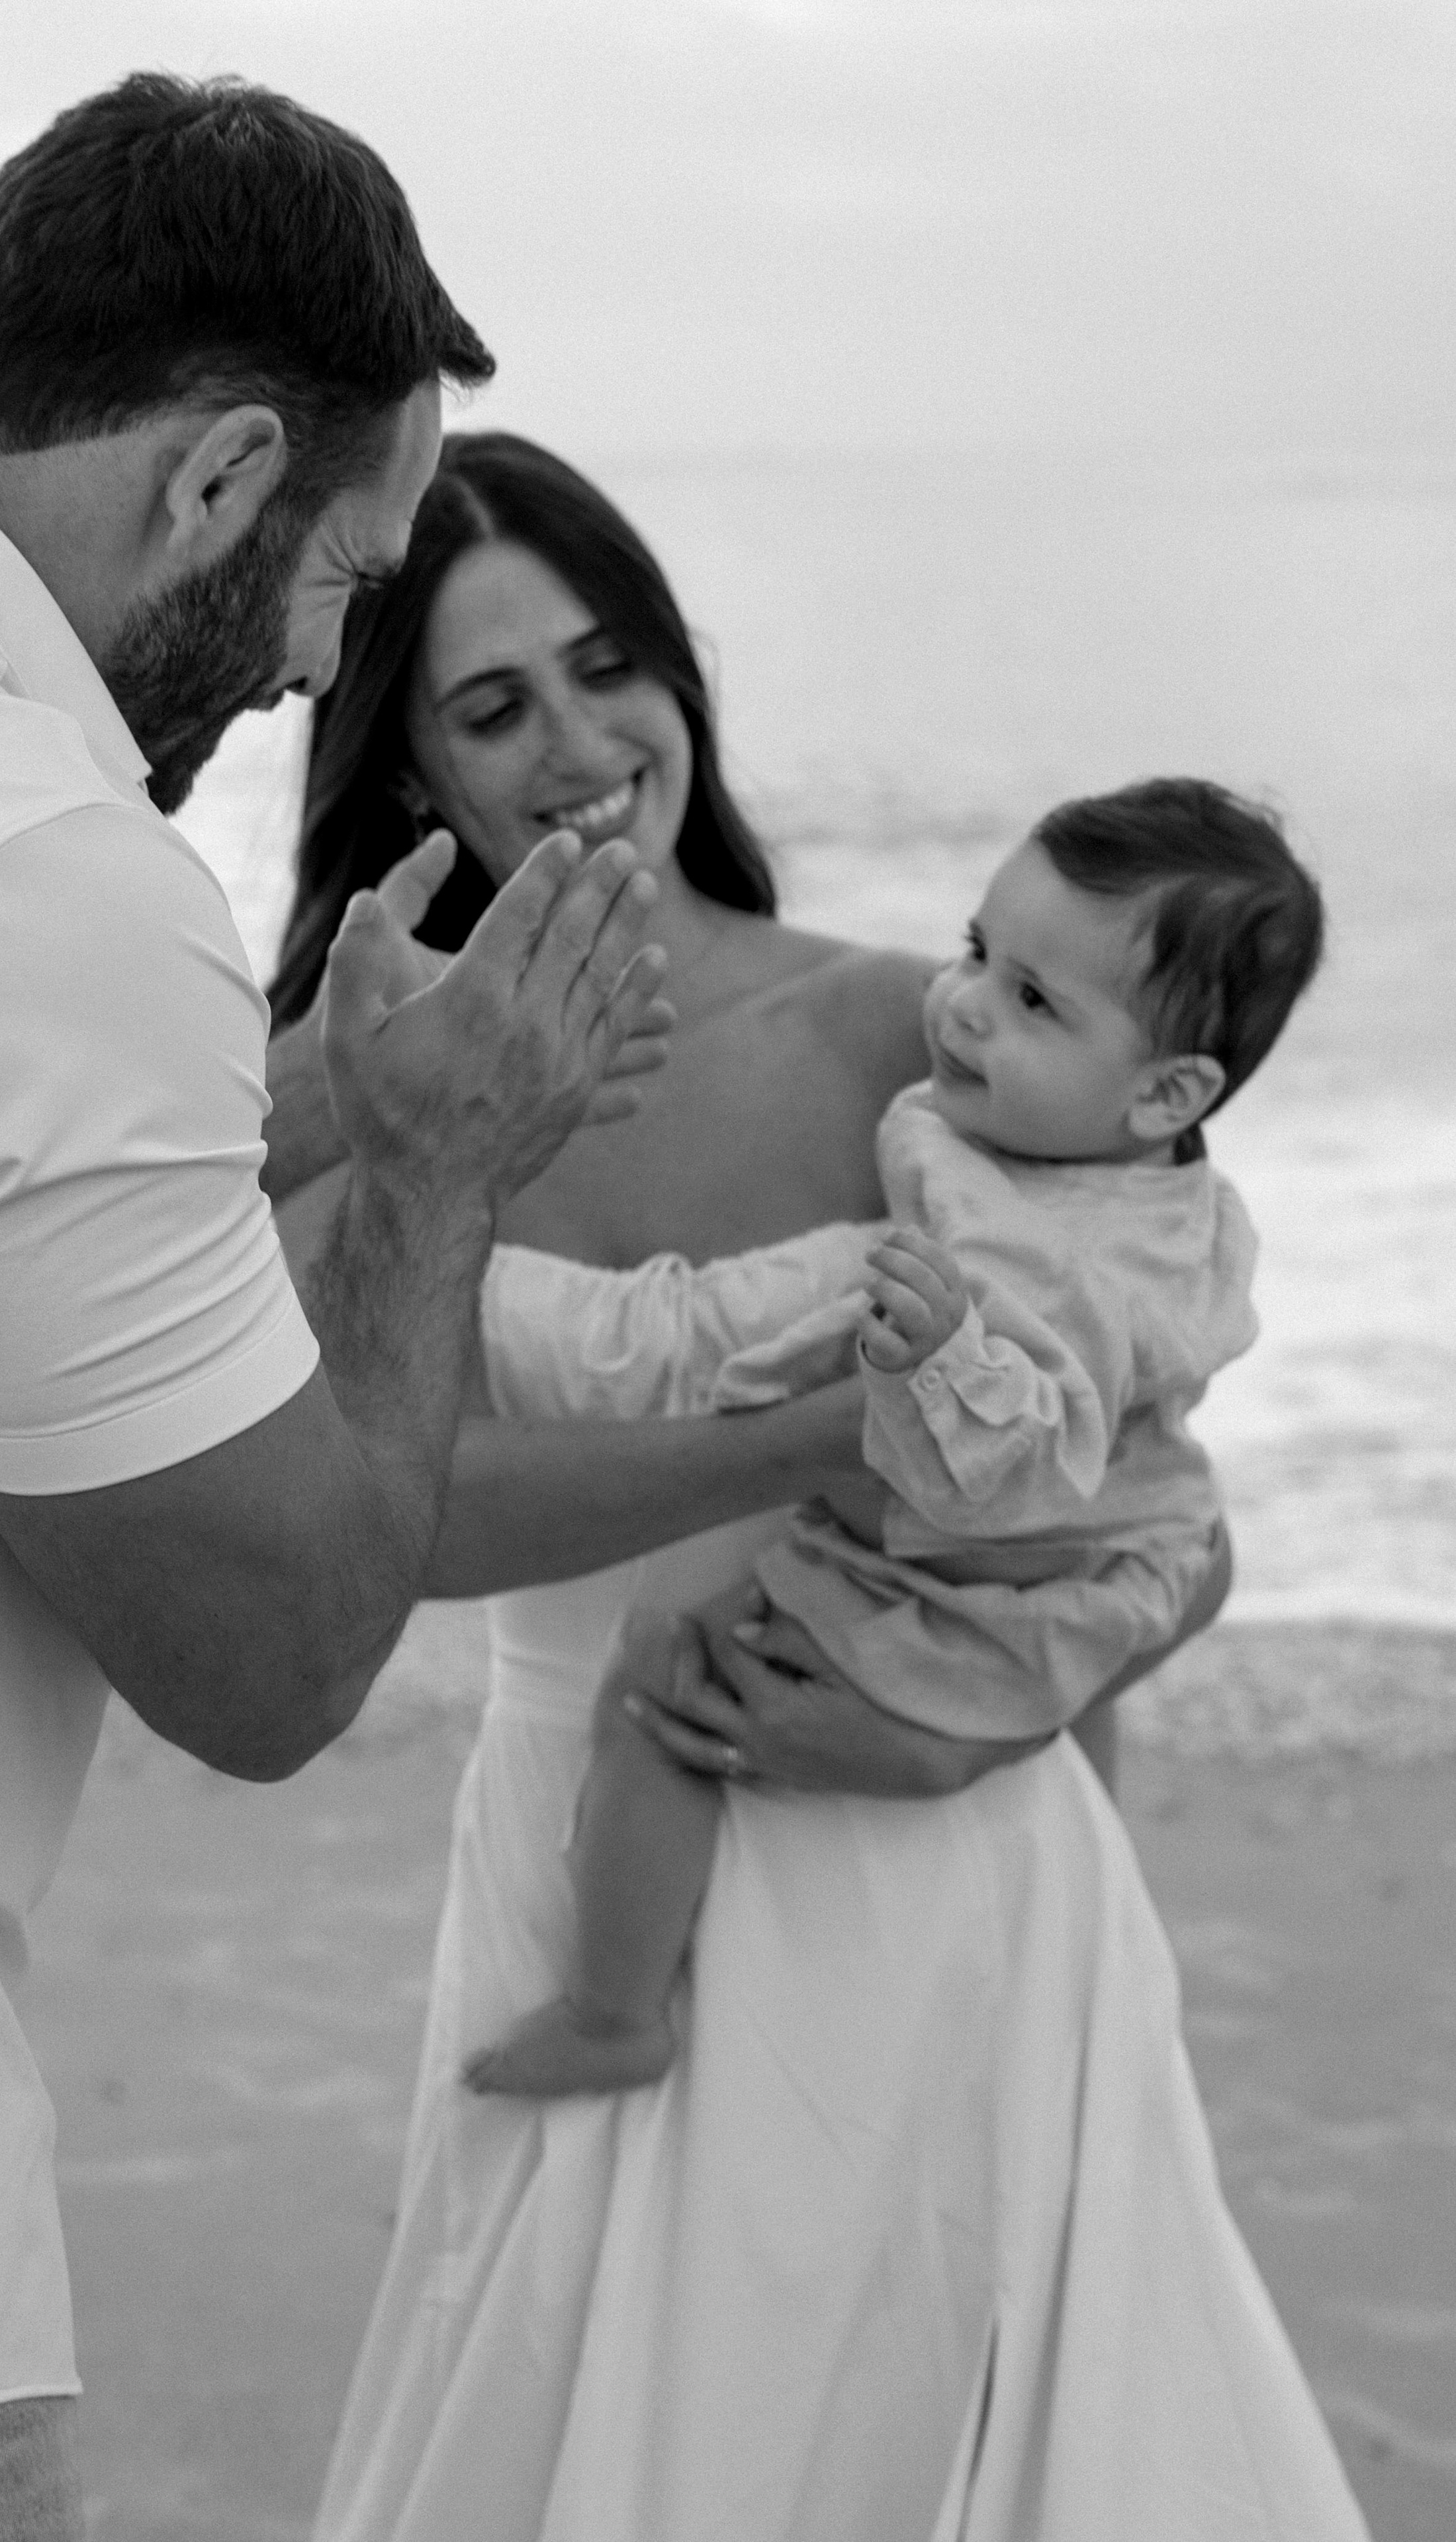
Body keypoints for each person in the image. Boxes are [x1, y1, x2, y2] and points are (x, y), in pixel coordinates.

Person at [274, 433, 1370, 2539]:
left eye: (611, 666)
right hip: (594, 1836)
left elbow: (1152, 1497)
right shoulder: (370, 1093)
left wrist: (998, 1751)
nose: (580, 743)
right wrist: (798, 1446)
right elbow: (384, 1525)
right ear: (406, 763)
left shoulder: (915, 1039)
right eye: (494, 705)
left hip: (942, 1849)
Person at [0, 80, 678, 2539]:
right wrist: (443, 1163)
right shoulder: (34, 873)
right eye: (345, 578)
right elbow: (268, 1660)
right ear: (218, 477)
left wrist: (300, 1106)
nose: (310, 669)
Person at [467, 779, 1325, 2100]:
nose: (965, 1002)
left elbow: (1031, 1445)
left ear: (1168, 1090)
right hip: (1057, 1577)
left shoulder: (1022, 1252)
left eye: (1031, 999)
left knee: (658, 1687)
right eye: (978, 950)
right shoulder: (1131, 1183)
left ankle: (614, 2010)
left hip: (956, 1588)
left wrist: (944, 1357)